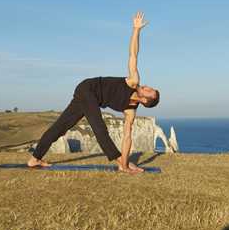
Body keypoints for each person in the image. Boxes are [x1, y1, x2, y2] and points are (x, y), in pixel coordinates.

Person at [27, 11, 160, 174]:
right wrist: (136, 30)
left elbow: (127, 137)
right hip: (87, 89)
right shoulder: (133, 81)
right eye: (149, 87)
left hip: (90, 99)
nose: (146, 86)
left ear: (145, 101)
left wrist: (126, 161)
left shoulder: (130, 110)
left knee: (61, 127)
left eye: (148, 91)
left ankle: (35, 158)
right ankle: (119, 162)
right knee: (99, 128)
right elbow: (133, 55)